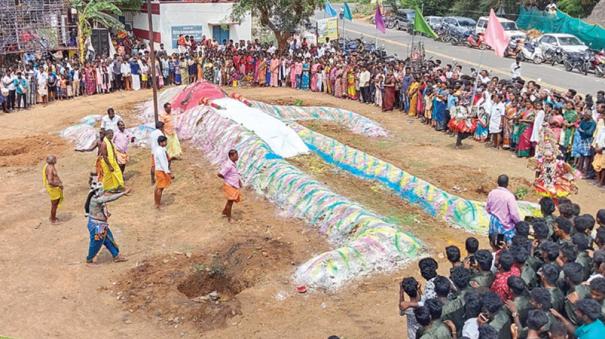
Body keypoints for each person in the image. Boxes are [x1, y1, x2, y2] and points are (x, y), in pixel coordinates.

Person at [84, 180, 129, 264]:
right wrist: (122, 194)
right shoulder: (96, 199)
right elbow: (109, 198)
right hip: (98, 225)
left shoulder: (93, 195)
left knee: (108, 239)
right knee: (96, 244)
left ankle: (116, 255)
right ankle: (89, 258)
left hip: (100, 224)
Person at [486, 175, 521, 243]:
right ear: (507, 184)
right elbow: (514, 214)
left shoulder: (492, 193)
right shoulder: (509, 196)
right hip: (505, 227)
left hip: (493, 225)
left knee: (494, 243)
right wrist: (519, 223)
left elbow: (488, 208)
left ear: (497, 182)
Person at [218, 149, 242, 223]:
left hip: (233, 185)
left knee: (230, 201)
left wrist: (239, 182)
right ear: (231, 156)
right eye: (236, 155)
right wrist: (227, 179)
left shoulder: (233, 163)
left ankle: (225, 212)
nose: (237, 157)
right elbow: (220, 174)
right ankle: (229, 218)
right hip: (230, 185)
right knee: (230, 202)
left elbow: (235, 174)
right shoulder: (228, 165)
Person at [43, 155, 63, 224]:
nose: (56, 160)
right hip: (53, 189)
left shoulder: (49, 166)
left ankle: (52, 217)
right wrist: (59, 184)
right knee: (54, 204)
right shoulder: (50, 168)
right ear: (53, 161)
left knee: (55, 204)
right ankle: (53, 219)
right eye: (55, 159)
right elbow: (50, 181)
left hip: (54, 188)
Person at [153, 135, 172, 209]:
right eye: (165, 141)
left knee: (158, 187)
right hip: (161, 171)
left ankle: (156, 202)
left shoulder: (160, 149)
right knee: (160, 188)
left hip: (160, 170)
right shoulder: (160, 151)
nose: (166, 143)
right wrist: (168, 172)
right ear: (161, 142)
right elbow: (162, 162)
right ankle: (157, 204)